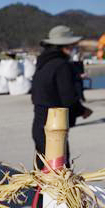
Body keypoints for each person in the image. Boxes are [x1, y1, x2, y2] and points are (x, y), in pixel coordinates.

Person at [31, 25, 92, 170]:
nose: (73, 48)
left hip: (39, 123)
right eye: (72, 45)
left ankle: (39, 194)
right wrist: (82, 110)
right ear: (65, 46)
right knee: (58, 172)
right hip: (54, 127)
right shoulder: (62, 66)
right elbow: (69, 98)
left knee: (42, 170)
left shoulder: (42, 63)